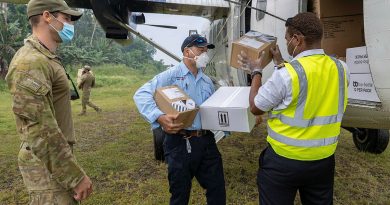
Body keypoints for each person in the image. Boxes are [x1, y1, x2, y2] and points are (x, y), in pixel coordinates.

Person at [238, 12, 349, 204]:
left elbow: (256, 107)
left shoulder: (286, 75)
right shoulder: (341, 68)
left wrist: (256, 71)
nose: (287, 42)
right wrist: (280, 63)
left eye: (288, 38)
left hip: (284, 161)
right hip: (323, 161)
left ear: (297, 39)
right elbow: (311, 86)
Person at [5, 0, 93, 204]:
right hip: (45, 161)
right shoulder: (30, 62)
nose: (71, 24)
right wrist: (75, 176)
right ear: (47, 16)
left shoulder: (46, 58)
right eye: (67, 18)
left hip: (54, 158)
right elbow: (39, 129)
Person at [133, 34, 226, 205]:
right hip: (179, 142)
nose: (205, 53)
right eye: (201, 49)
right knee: (180, 193)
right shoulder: (171, 75)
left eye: (206, 50)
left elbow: (215, 109)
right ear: (187, 51)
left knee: (217, 189)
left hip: (206, 140)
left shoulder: (207, 82)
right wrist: (159, 117)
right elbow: (141, 94)